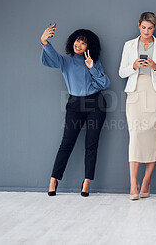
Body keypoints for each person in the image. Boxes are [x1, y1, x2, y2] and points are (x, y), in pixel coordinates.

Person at [41, 26, 111, 197]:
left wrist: (92, 67)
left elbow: (105, 84)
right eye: (77, 40)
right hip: (75, 104)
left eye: (84, 42)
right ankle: (54, 178)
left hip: (96, 104)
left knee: (91, 144)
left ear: (89, 47)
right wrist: (44, 41)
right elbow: (52, 58)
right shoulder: (66, 61)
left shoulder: (94, 62)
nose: (79, 44)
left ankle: (87, 181)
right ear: (72, 42)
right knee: (66, 143)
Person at [119, 12, 156, 200]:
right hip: (135, 90)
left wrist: (155, 66)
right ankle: (133, 183)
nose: (146, 31)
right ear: (138, 25)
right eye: (143, 27)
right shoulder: (129, 45)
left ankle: (147, 180)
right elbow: (122, 72)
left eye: (150, 28)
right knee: (135, 134)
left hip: (154, 91)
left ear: (154, 28)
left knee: (152, 135)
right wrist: (134, 65)